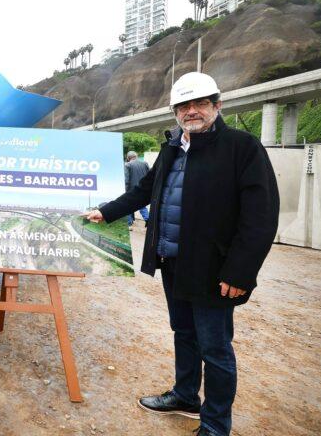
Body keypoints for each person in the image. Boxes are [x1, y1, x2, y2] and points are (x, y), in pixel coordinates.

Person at [84, 72, 279, 436]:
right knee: (183, 333)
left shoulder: (243, 148)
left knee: (215, 348)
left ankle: (216, 425)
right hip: (173, 261)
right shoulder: (172, 147)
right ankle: (186, 396)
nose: (192, 111)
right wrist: (106, 211)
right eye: (184, 106)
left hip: (215, 269)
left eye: (200, 103)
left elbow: (261, 217)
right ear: (175, 112)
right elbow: (145, 190)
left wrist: (240, 272)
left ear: (217, 106)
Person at [124, 150, 150, 228]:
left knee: (128, 206)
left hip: (132, 190)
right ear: (136, 156)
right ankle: (149, 222)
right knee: (142, 206)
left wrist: (125, 191)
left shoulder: (127, 165)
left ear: (128, 158)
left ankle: (129, 224)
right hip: (143, 189)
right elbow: (149, 176)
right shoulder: (145, 163)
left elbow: (126, 180)